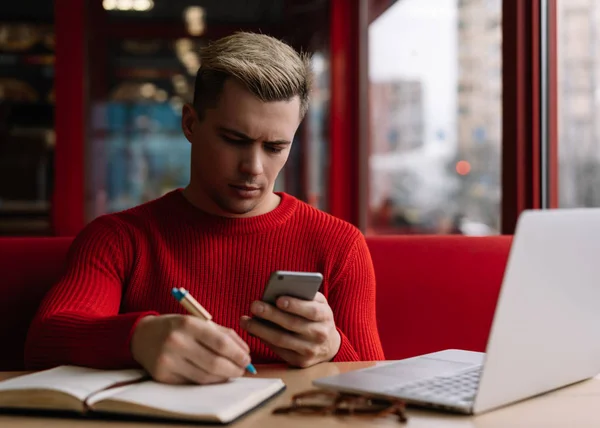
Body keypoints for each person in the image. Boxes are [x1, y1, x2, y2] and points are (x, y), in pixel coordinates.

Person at [24, 32, 385, 385]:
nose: (254, 168)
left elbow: (377, 386)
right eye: (234, 140)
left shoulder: (339, 244)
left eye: (275, 147)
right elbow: (43, 341)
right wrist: (138, 337)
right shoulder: (120, 238)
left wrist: (333, 346)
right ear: (190, 124)